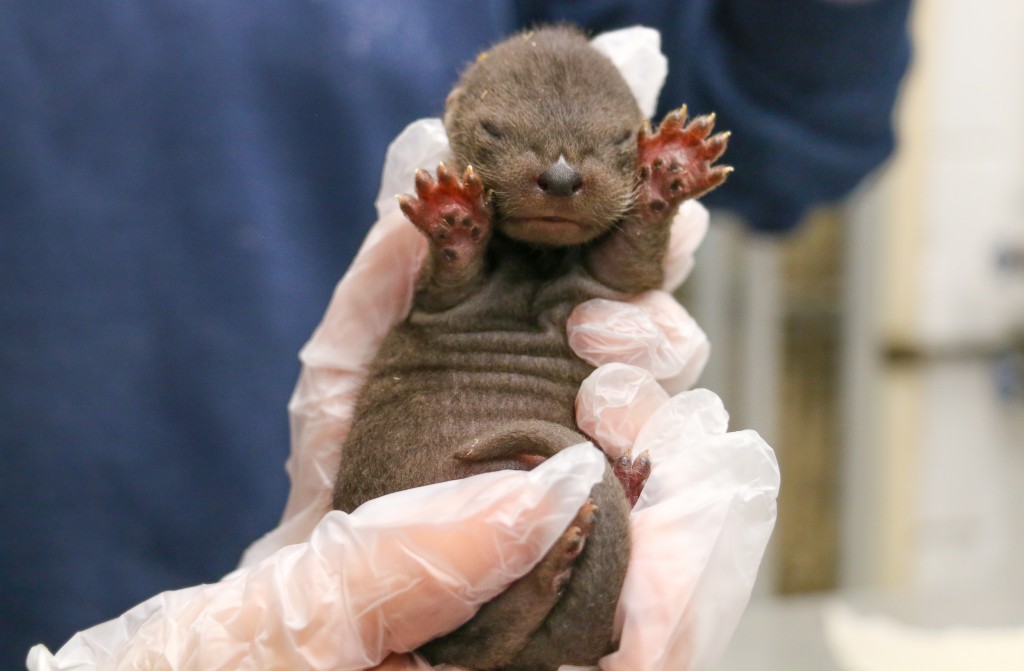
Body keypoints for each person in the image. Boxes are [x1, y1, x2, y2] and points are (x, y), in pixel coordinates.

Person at [0, 1, 911, 667]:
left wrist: (655, 203)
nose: (558, 174)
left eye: (601, 157)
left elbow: (795, 129)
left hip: (519, 498)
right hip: (58, 553)